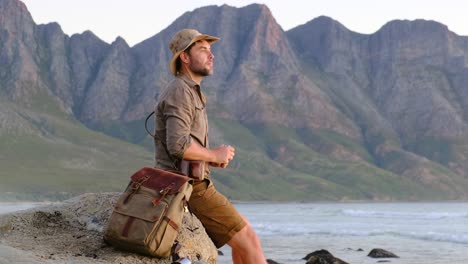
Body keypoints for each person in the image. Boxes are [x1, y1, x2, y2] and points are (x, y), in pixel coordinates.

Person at [153, 28, 267, 264]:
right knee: (250, 240)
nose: (211, 55)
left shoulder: (191, 91)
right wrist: (213, 153)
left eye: (211, 50)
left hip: (193, 183)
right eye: (203, 50)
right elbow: (177, 145)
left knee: (244, 243)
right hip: (188, 188)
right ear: (184, 57)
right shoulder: (180, 91)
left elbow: (184, 144)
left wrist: (209, 158)